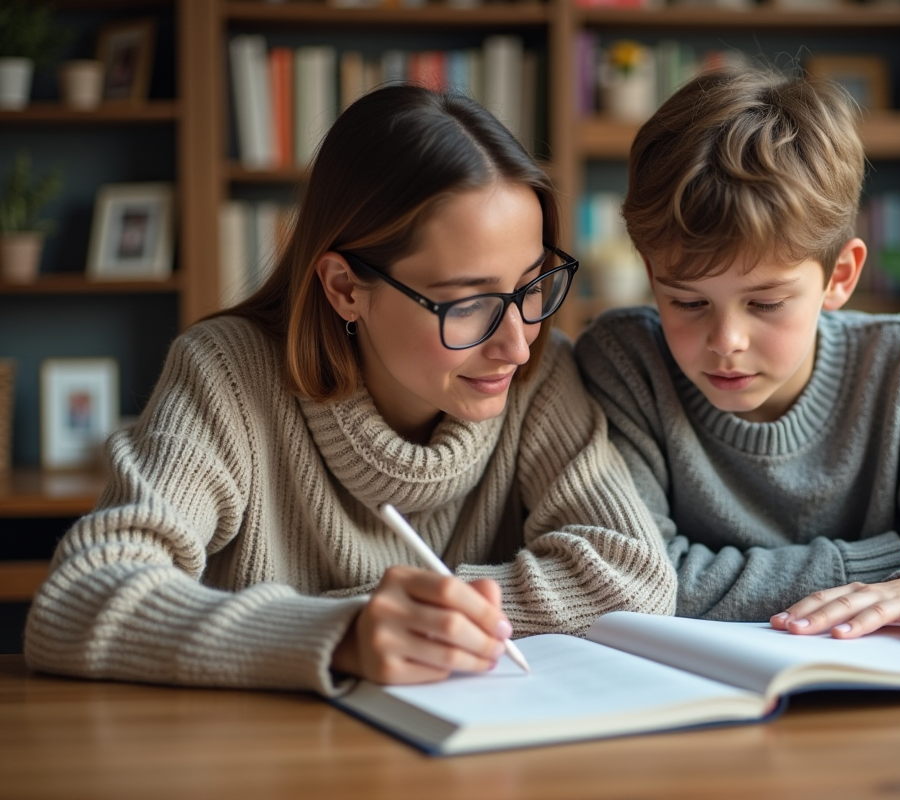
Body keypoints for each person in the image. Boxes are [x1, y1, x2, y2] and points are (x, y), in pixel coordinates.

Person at [24, 85, 676, 694]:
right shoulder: (227, 375)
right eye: (469, 302)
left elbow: (633, 578)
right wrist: (340, 634)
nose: (517, 342)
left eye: (532, 285)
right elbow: (81, 599)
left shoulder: (540, 373)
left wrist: (387, 612)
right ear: (344, 288)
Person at [575, 66, 900, 644]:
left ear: (839, 276)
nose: (727, 341)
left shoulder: (899, 365)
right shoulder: (625, 363)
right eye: (689, 301)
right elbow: (638, 578)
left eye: (766, 303)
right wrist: (882, 562)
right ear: (651, 276)